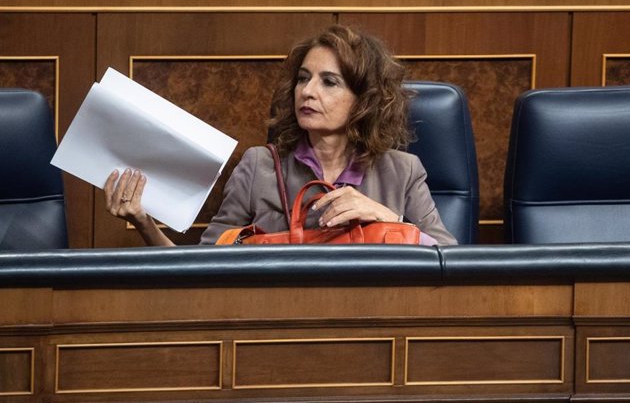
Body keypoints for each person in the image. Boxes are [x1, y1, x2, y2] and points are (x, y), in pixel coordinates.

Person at [104, 24, 457, 246]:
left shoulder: (403, 171)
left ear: (364, 99)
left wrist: (388, 218)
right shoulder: (258, 167)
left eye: (328, 82)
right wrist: (142, 220)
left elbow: (452, 263)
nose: (307, 91)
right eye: (304, 78)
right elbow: (201, 271)